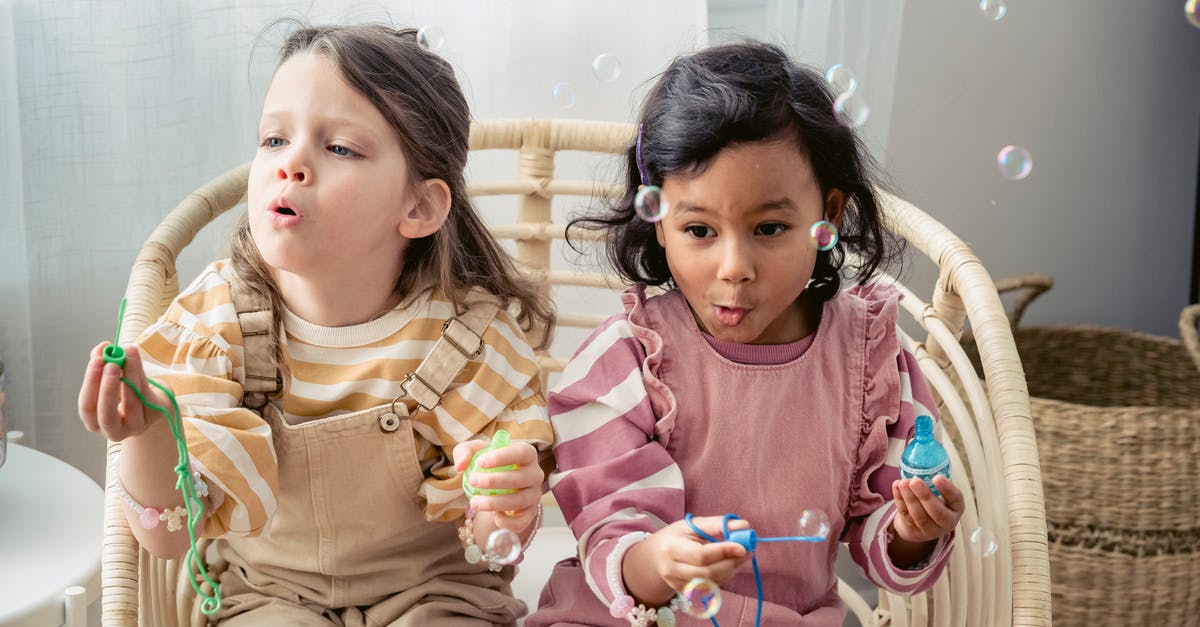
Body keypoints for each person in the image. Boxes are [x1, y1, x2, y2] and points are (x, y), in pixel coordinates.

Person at [77, 23, 554, 626]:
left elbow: (490, 544)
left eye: (340, 148)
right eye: (274, 139)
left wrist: (505, 506)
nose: (292, 163)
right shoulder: (214, 326)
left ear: (420, 207)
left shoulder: (469, 343)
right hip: (265, 594)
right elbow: (170, 539)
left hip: (437, 593)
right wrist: (146, 435)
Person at [527, 41, 964, 626]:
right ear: (659, 222)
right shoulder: (629, 358)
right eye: (700, 230)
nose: (734, 266)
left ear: (827, 217)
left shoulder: (869, 359)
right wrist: (657, 560)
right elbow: (611, 532)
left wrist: (913, 530)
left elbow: (886, 533)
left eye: (770, 227)